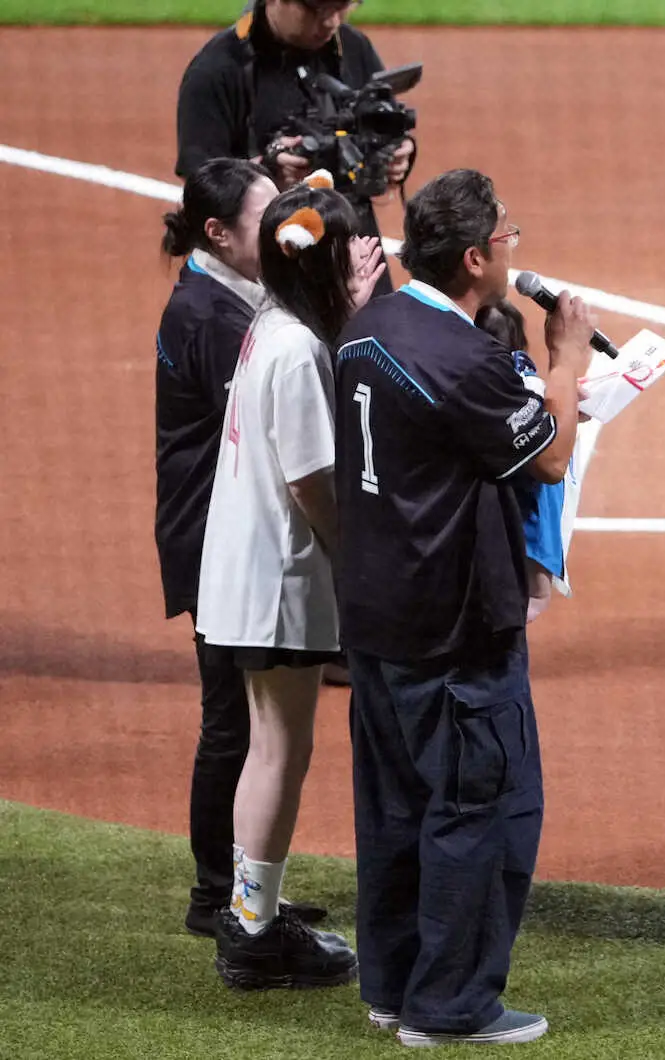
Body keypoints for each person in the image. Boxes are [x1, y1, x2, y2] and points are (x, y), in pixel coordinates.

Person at [333, 169, 594, 1045]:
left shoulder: (369, 326)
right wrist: (566, 361)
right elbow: (549, 457)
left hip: (374, 618)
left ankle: (393, 984)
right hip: (453, 626)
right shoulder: (463, 358)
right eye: (507, 232)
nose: (517, 242)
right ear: (478, 258)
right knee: (483, 809)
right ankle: (449, 1008)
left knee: (397, 808)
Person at [195, 172, 385, 989]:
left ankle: (251, 919)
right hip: (278, 582)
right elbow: (313, 480)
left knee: (269, 749)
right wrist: (358, 564)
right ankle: (253, 933)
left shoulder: (270, 322)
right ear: (324, 264)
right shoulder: (301, 348)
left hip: (242, 576)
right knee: (281, 750)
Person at [155, 156, 330, 940]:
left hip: (229, 528)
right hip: (217, 539)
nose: (279, 231)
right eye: (264, 220)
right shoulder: (207, 315)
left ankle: (244, 888)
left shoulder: (234, 296)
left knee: (255, 725)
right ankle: (216, 896)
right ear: (219, 234)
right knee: (235, 722)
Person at [174, 0, 415, 297]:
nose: (331, 21)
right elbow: (200, 190)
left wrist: (394, 154)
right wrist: (266, 171)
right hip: (270, 273)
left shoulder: (353, 47)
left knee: (374, 342)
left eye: (343, 7)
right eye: (317, 9)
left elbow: (383, 122)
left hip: (354, 253)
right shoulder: (216, 71)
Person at [475, 299, 569, 623]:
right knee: (536, 596)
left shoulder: (467, 372)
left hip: (500, 480)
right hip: (531, 486)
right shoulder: (523, 372)